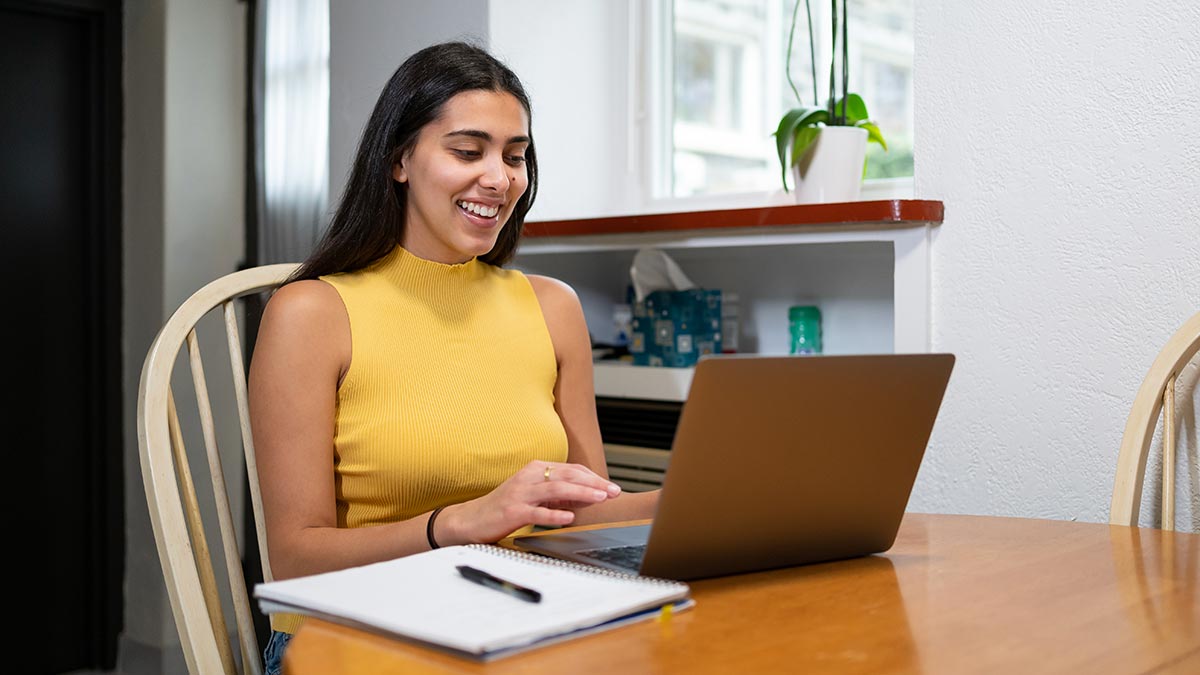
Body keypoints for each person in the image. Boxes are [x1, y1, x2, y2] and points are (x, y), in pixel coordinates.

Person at [248, 41, 659, 672]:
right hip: (353, 638)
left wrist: (706, 502)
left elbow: (585, 511)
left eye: (515, 157)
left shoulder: (553, 306)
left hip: (520, 623)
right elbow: (294, 559)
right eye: (468, 151)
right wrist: (461, 523)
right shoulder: (311, 312)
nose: (500, 178)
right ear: (400, 159)